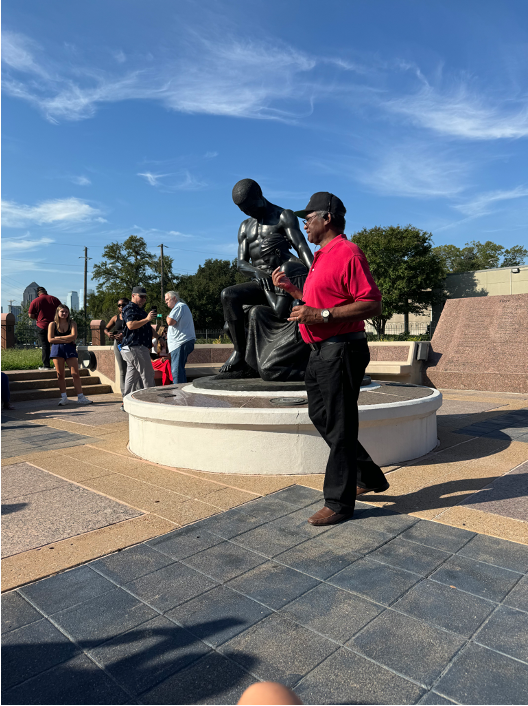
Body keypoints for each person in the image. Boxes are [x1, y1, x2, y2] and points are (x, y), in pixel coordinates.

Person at [272, 192, 389, 527]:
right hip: (320, 351)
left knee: (339, 424)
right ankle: (369, 476)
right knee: (321, 415)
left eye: (308, 217)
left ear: (327, 218)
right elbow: (318, 299)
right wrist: (294, 293)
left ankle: (339, 502)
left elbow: (372, 304)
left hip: (341, 348)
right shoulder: (323, 256)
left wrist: (320, 315)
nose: (304, 223)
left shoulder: (348, 252)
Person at [217, 179, 313, 378]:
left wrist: (316, 275)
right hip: (259, 280)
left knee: (234, 302)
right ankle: (240, 353)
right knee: (228, 297)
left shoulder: (282, 216)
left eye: (249, 207)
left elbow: (301, 247)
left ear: (259, 198)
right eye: (242, 210)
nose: (247, 212)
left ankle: (247, 357)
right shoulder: (245, 227)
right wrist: (257, 273)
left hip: (283, 280)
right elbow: (241, 263)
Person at [48, 305, 93, 406]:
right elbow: (50, 339)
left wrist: (58, 338)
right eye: (62, 312)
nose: (64, 314)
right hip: (57, 350)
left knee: (75, 373)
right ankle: (64, 398)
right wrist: (66, 338)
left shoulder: (72, 323)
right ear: (58, 313)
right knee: (60, 374)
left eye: (66, 312)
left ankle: (80, 397)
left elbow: (74, 336)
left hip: (69, 349)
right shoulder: (52, 324)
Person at [121, 287, 157, 404]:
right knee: (148, 373)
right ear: (133, 296)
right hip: (135, 347)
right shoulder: (130, 308)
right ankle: (151, 401)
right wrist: (147, 319)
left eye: (145, 297)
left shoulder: (141, 311)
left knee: (132, 376)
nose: (144, 299)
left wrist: (160, 337)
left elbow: (148, 328)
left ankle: (126, 401)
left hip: (134, 348)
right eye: (141, 296)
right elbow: (131, 325)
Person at [164, 291, 196, 384]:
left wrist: (167, 316)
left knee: (176, 371)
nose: (166, 302)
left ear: (174, 298)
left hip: (180, 343)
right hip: (180, 343)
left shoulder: (179, 306)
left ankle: (179, 395)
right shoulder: (181, 307)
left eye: (167, 299)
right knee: (179, 370)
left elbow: (170, 321)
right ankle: (182, 392)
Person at [28, 286, 62, 370]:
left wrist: (38, 317)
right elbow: (61, 311)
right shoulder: (54, 299)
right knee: (56, 345)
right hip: (55, 325)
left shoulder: (35, 301)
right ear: (46, 291)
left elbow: (30, 315)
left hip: (42, 326)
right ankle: (58, 365)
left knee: (45, 346)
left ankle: (46, 366)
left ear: (38, 293)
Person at [104, 297, 130, 395]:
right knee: (122, 369)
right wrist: (108, 334)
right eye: (119, 305)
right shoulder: (116, 317)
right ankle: (124, 394)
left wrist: (125, 335)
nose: (121, 307)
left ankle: (134, 392)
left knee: (131, 368)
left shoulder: (131, 316)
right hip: (118, 344)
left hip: (130, 343)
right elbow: (106, 328)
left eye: (123, 304)